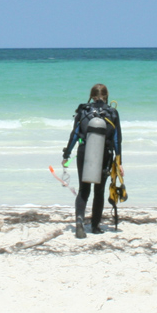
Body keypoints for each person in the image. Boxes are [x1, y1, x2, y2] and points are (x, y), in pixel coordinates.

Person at [61, 84, 123, 239]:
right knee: (99, 191)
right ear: (107, 95)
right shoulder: (112, 112)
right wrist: (119, 161)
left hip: (84, 152)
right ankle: (95, 226)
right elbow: (117, 140)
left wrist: (66, 155)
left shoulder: (83, 111)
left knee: (84, 189)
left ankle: (80, 222)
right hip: (104, 154)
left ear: (91, 95)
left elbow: (75, 134)